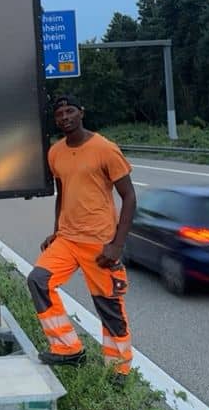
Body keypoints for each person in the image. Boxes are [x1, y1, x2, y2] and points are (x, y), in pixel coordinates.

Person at [28, 94, 136, 383]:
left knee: (109, 306)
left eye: (70, 111)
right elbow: (63, 193)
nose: (65, 117)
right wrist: (56, 229)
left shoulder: (105, 149)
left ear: (81, 113)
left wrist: (117, 244)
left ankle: (119, 368)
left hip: (99, 243)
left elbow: (129, 197)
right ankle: (68, 348)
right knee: (38, 281)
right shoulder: (55, 152)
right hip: (67, 239)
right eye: (60, 113)